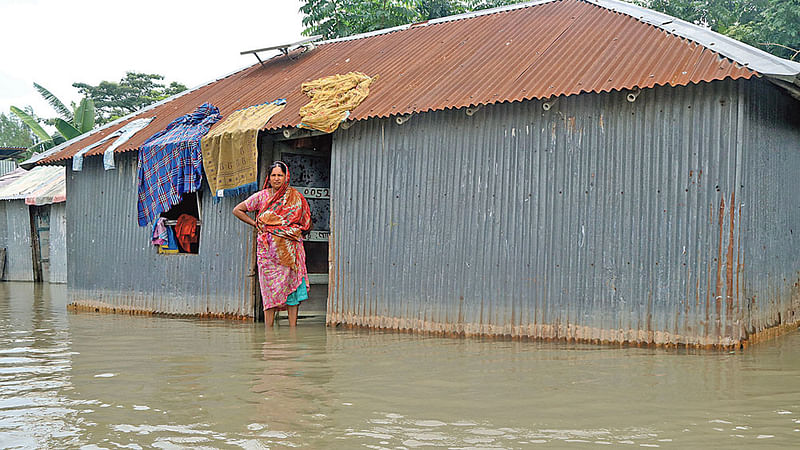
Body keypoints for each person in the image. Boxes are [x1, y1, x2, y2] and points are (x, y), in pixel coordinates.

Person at [233, 161, 312, 326]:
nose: (276, 179)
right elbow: (238, 210)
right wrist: (255, 224)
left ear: (286, 177)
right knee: (269, 291)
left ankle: (292, 331)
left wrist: (291, 231)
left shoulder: (295, 197)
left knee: (293, 291)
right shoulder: (261, 196)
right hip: (268, 254)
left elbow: (306, 221)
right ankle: (268, 333)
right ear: (268, 178)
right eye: (273, 175)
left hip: (290, 251)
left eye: (280, 175)